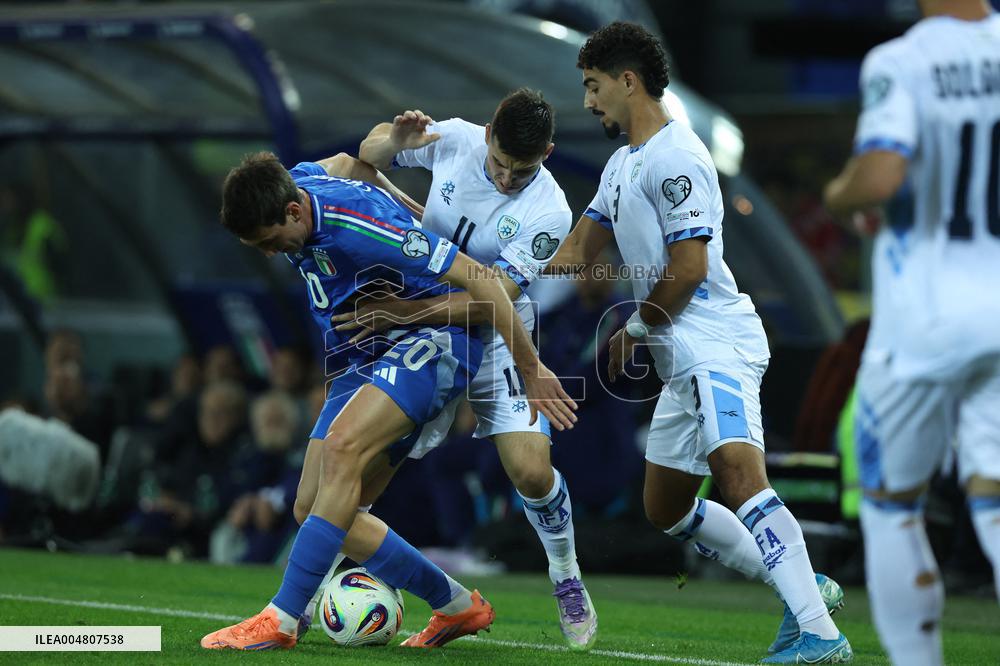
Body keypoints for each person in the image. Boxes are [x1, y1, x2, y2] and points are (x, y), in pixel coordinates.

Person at [545, 22, 851, 663]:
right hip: (676, 351)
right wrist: (494, 263)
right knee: (666, 507)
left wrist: (635, 328)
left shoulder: (678, 157)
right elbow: (576, 251)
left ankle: (821, 633)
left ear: (628, 82)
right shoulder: (621, 164)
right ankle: (800, 590)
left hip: (713, 340)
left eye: (594, 86)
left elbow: (687, 269)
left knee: (739, 476)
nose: (589, 102)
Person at [200, 151, 576, 650]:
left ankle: (283, 618)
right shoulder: (292, 185)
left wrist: (531, 369)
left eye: (271, 242)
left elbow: (485, 284)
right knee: (314, 507)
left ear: (293, 213)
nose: (272, 253)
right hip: (362, 355)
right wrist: (390, 170)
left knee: (340, 452)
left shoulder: (362, 227)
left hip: (431, 339)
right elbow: (342, 160)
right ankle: (455, 606)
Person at [331, 88, 596, 648]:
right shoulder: (451, 138)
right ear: (488, 132)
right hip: (425, 332)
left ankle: (566, 574)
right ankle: (321, 584)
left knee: (529, 471)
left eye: (521, 170)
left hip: (496, 334)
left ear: (546, 151)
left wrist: (402, 310)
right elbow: (365, 152)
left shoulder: (549, 210)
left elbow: (491, 295)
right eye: (499, 162)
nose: (505, 179)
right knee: (369, 463)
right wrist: (394, 141)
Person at [823, 2, 1000, 664]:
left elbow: (881, 175)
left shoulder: (905, 59)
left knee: (892, 504)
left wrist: (842, 195)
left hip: (925, 320)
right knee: (994, 497)